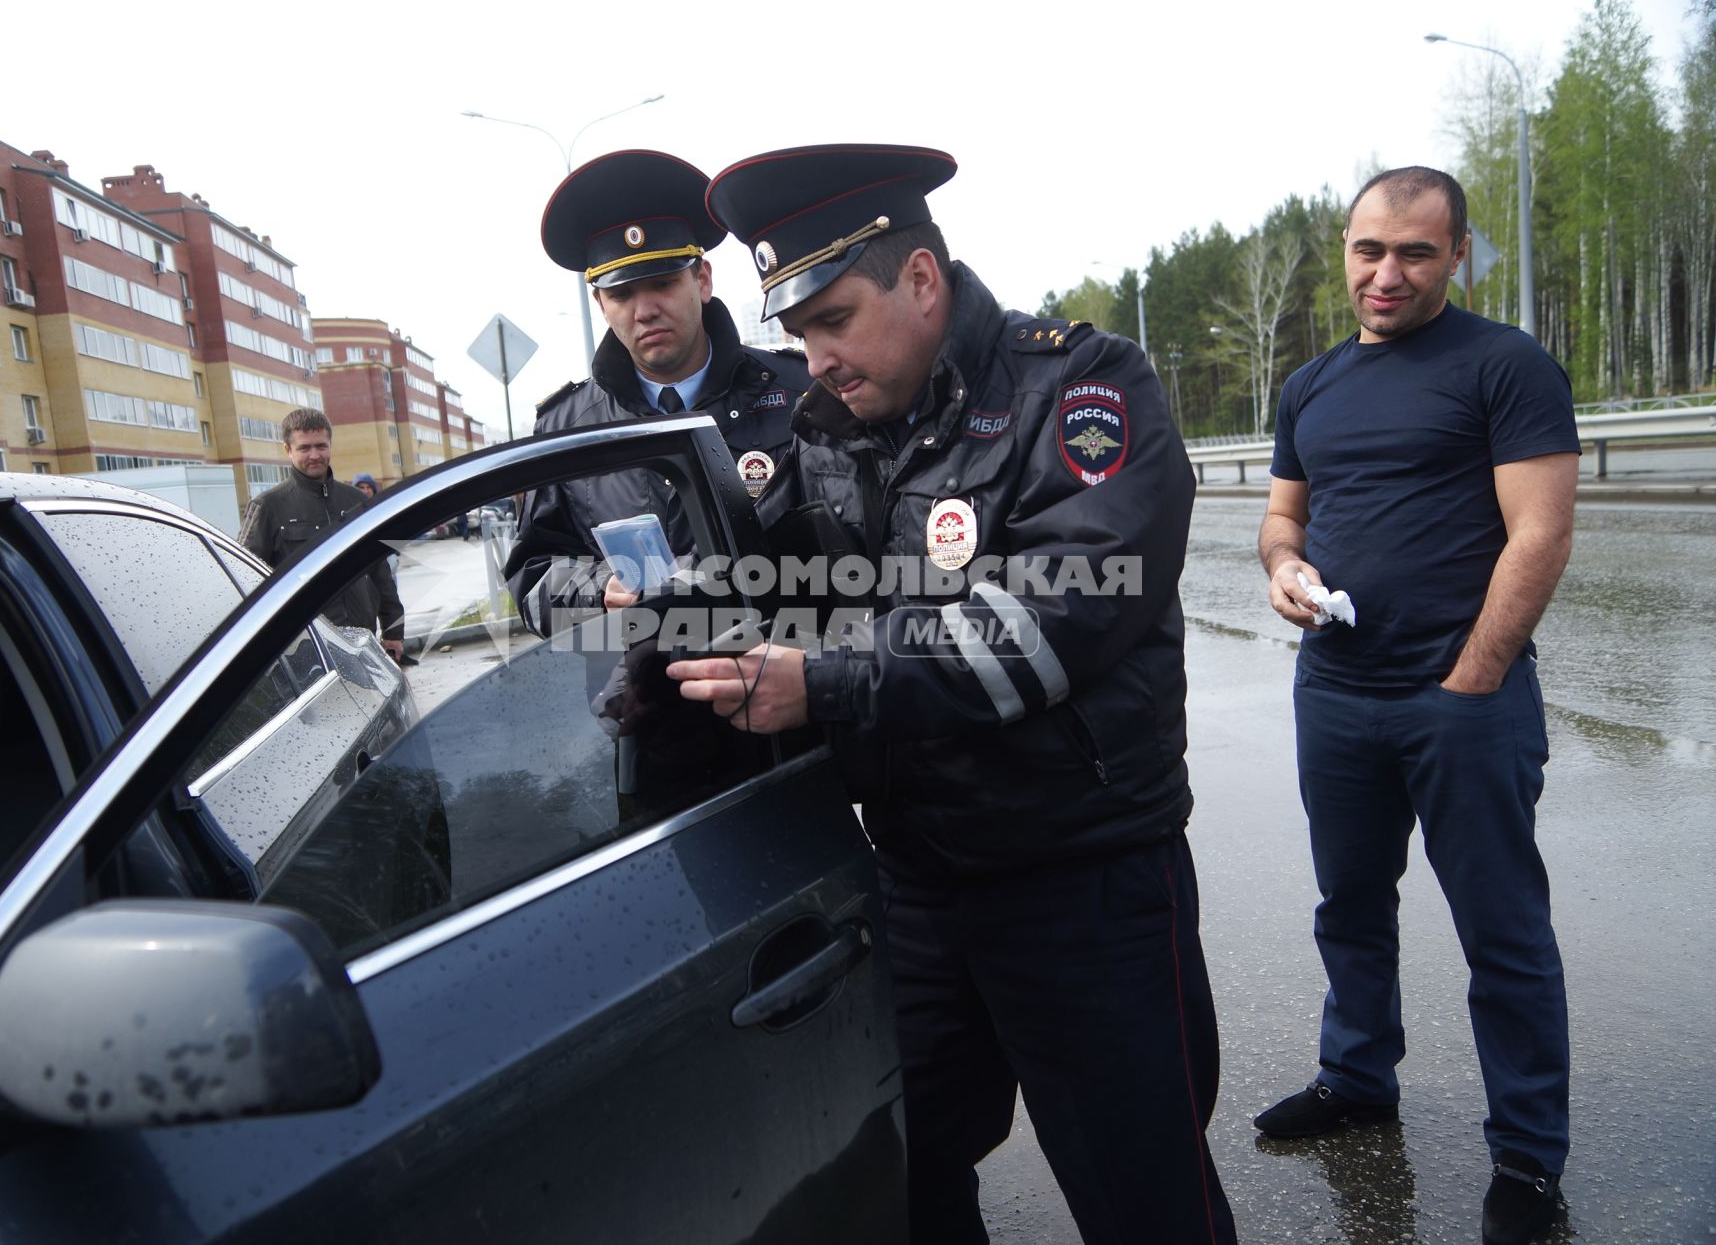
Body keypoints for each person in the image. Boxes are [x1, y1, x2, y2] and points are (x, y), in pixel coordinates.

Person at [678, 143, 1235, 1244]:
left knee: (1142, 1196)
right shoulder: (829, 432)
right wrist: (672, 623)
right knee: (899, 1168)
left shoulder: (1078, 389)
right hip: (919, 883)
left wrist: (825, 681)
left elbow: (1046, 624)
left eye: (833, 317)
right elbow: (782, 582)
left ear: (921, 280)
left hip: (1082, 882)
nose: (815, 355)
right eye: (796, 332)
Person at [1253, 166, 1578, 1245]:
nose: (1385, 274)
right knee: (1347, 907)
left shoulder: (1503, 365)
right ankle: (1355, 1079)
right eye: (1366, 250)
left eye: (1414, 252)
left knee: (1502, 931)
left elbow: (1537, 533)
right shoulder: (1307, 386)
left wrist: (1470, 679)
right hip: (1335, 692)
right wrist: (1282, 571)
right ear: (1343, 250)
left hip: (1462, 700)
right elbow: (1280, 521)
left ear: (1456, 256)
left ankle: (1526, 1154)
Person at [503, 149, 807, 636]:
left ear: (702, 280)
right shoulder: (565, 426)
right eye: (622, 294)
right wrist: (599, 592)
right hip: (635, 695)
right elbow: (532, 576)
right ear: (600, 302)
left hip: (781, 678)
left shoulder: (798, 391)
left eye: (662, 283)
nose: (644, 311)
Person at [241, 407, 405, 663]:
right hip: (304, 650)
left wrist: (394, 630)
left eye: (321, 446)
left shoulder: (358, 501)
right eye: (304, 448)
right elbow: (244, 582)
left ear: (330, 445)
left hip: (363, 643)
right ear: (288, 450)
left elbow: (380, 572)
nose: (315, 455)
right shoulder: (268, 507)